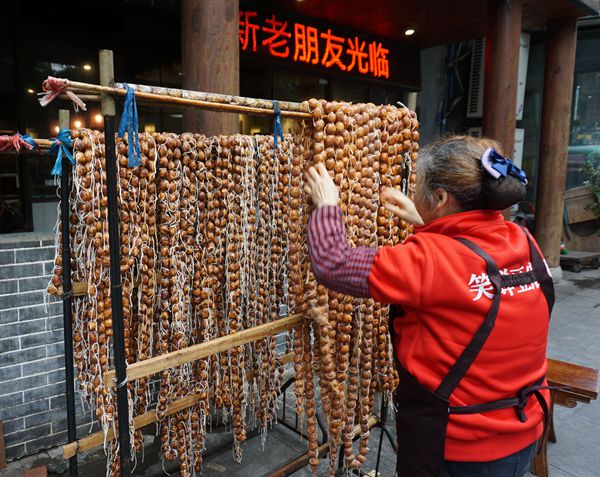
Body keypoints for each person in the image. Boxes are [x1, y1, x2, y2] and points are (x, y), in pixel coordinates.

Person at [304, 135, 554, 477]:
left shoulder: (431, 259)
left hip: (458, 447)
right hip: (524, 429)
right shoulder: (523, 240)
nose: (415, 193)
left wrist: (327, 205)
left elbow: (334, 264)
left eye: (419, 187)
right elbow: (467, 267)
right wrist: (428, 222)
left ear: (439, 197)